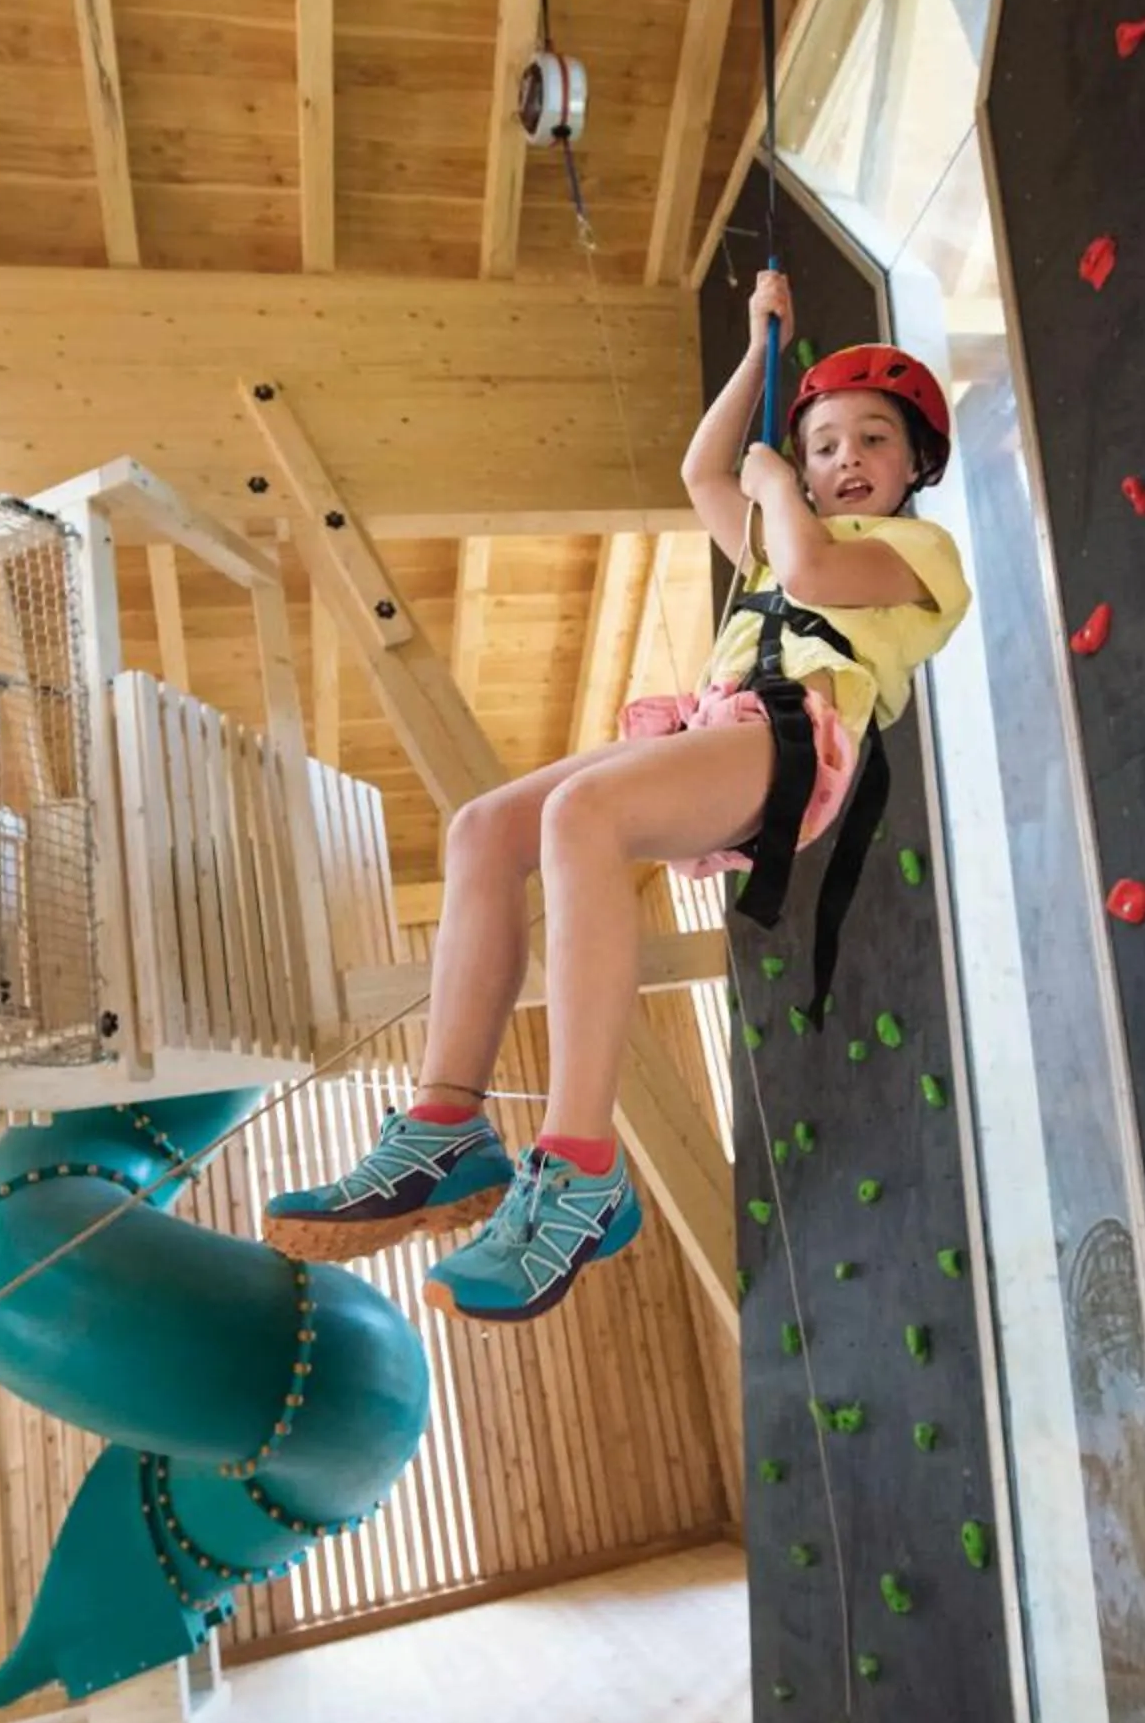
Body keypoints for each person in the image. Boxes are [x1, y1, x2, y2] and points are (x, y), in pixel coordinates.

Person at [265, 271, 972, 1324]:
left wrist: (780, 486)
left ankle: (580, 1163)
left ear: (915, 463)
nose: (845, 461)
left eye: (872, 441)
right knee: (484, 829)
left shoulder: (918, 556)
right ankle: (446, 1124)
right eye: (824, 445)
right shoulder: (780, 531)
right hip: (715, 731)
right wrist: (753, 350)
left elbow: (817, 576)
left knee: (578, 819)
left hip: (791, 746)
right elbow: (701, 473)